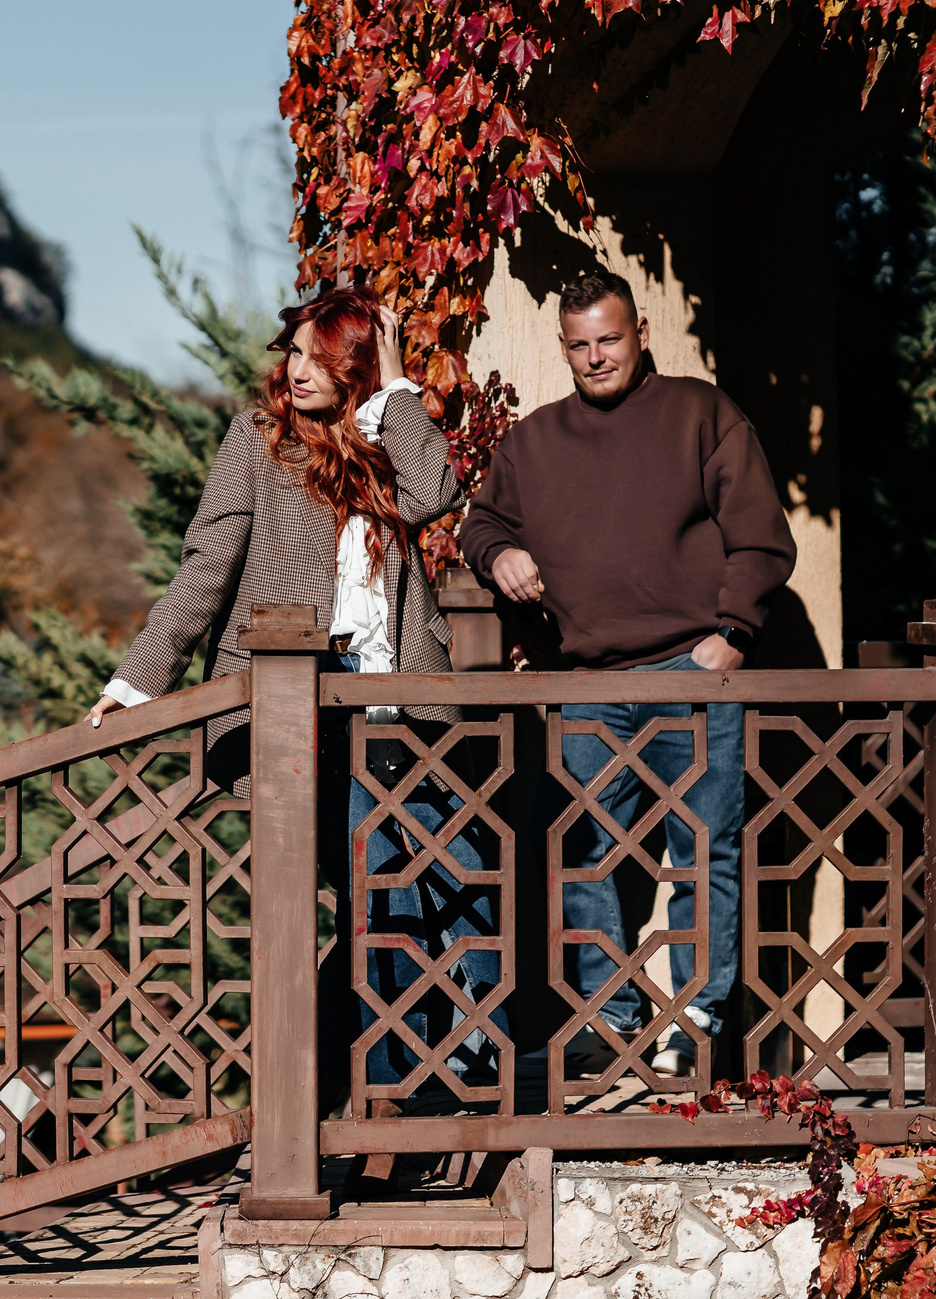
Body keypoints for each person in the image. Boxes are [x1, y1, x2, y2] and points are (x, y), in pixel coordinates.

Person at [87, 288, 499, 1092]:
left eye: (321, 357)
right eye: (295, 353)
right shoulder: (258, 439)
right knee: (372, 897)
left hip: (392, 700)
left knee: (415, 896)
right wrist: (138, 680)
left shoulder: (383, 432)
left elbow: (436, 493)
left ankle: (402, 1088)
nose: (299, 370)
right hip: (300, 704)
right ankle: (377, 1093)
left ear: (355, 367)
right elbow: (206, 567)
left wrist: (395, 383)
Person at [457, 269, 795, 1078]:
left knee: (704, 852)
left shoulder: (702, 413)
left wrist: (733, 635)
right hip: (587, 683)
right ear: (564, 348)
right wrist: (499, 552)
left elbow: (762, 536)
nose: (596, 356)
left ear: (642, 331)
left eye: (609, 338)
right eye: (579, 345)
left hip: (692, 670)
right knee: (581, 855)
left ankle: (697, 1025)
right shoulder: (534, 441)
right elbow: (483, 522)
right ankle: (610, 1017)